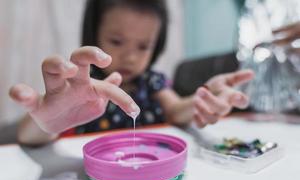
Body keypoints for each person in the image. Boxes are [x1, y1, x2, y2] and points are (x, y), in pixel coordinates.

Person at [9, 0, 254, 146]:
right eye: (116, 41)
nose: (131, 57)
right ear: (94, 34)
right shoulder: (81, 85)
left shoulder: (152, 82)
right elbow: (28, 136)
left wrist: (205, 96)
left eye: (143, 46)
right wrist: (45, 123)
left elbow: (176, 110)